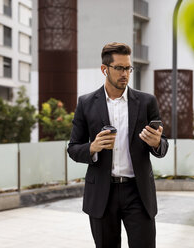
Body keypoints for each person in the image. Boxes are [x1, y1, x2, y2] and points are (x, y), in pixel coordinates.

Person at [67, 42, 169, 248]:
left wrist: (157, 143)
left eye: (128, 68)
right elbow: (73, 148)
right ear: (105, 69)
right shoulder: (86, 103)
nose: (125, 73)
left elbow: (162, 146)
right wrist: (93, 147)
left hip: (138, 193)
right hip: (102, 194)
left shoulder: (147, 102)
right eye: (120, 68)